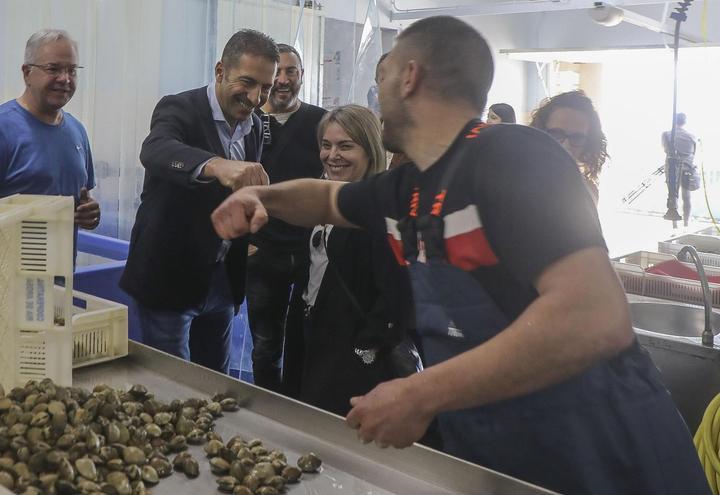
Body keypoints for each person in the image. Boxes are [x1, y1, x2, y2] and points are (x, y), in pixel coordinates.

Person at [212, 16, 708, 494]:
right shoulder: (408, 186)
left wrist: (420, 394)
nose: (376, 94)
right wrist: (261, 198)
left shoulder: (515, 156)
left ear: (409, 77)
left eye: (381, 77)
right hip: (497, 449)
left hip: (599, 453)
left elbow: (593, 316)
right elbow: (324, 199)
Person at [119, 30, 277, 374]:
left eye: (265, 88)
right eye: (247, 82)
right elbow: (156, 149)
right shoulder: (179, 107)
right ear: (221, 71)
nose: (254, 97)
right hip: (170, 279)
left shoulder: (257, 123)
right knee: (173, 387)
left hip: (222, 280)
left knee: (213, 385)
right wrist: (217, 165)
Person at [291, 104, 406, 416]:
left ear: (370, 150)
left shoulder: (381, 211)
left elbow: (395, 293)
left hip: (351, 354)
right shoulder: (320, 197)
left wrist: (364, 348)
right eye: (326, 146)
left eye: (345, 146)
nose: (333, 155)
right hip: (315, 333)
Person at [0, 29, 99, 230]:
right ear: (27, 73)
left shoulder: (77, 131)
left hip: (61, 261)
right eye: (53, 69)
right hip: (4, 261)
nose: (65, 79)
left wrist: (89, 212)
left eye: (72, 70)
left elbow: (81, 198)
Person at [248, 44, 326, 393]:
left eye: (290, 72)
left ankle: (300, 408)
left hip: (311, 252)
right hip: (263, 253)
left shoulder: (320, 122)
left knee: (307, 338)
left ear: (302, 76)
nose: (282, 80)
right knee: (265, 345)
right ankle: (268, 413)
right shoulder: (247, 122)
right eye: (276, 73)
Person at [530, 90, 607, 202]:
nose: (565, 146)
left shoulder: (589, 192)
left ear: (588, 144)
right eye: (556, 134)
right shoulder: (518, 182)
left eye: (577, 137)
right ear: (540, 132)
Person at [662, 112, 698, 226]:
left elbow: (666, 150)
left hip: (672, 169)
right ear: (685, 121)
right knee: (686, 197)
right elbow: (693, 153)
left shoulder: (667, 134)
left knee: (673, 195)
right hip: (687, 169)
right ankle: (686, 224)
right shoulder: (692, 136)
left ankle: (674, 225)